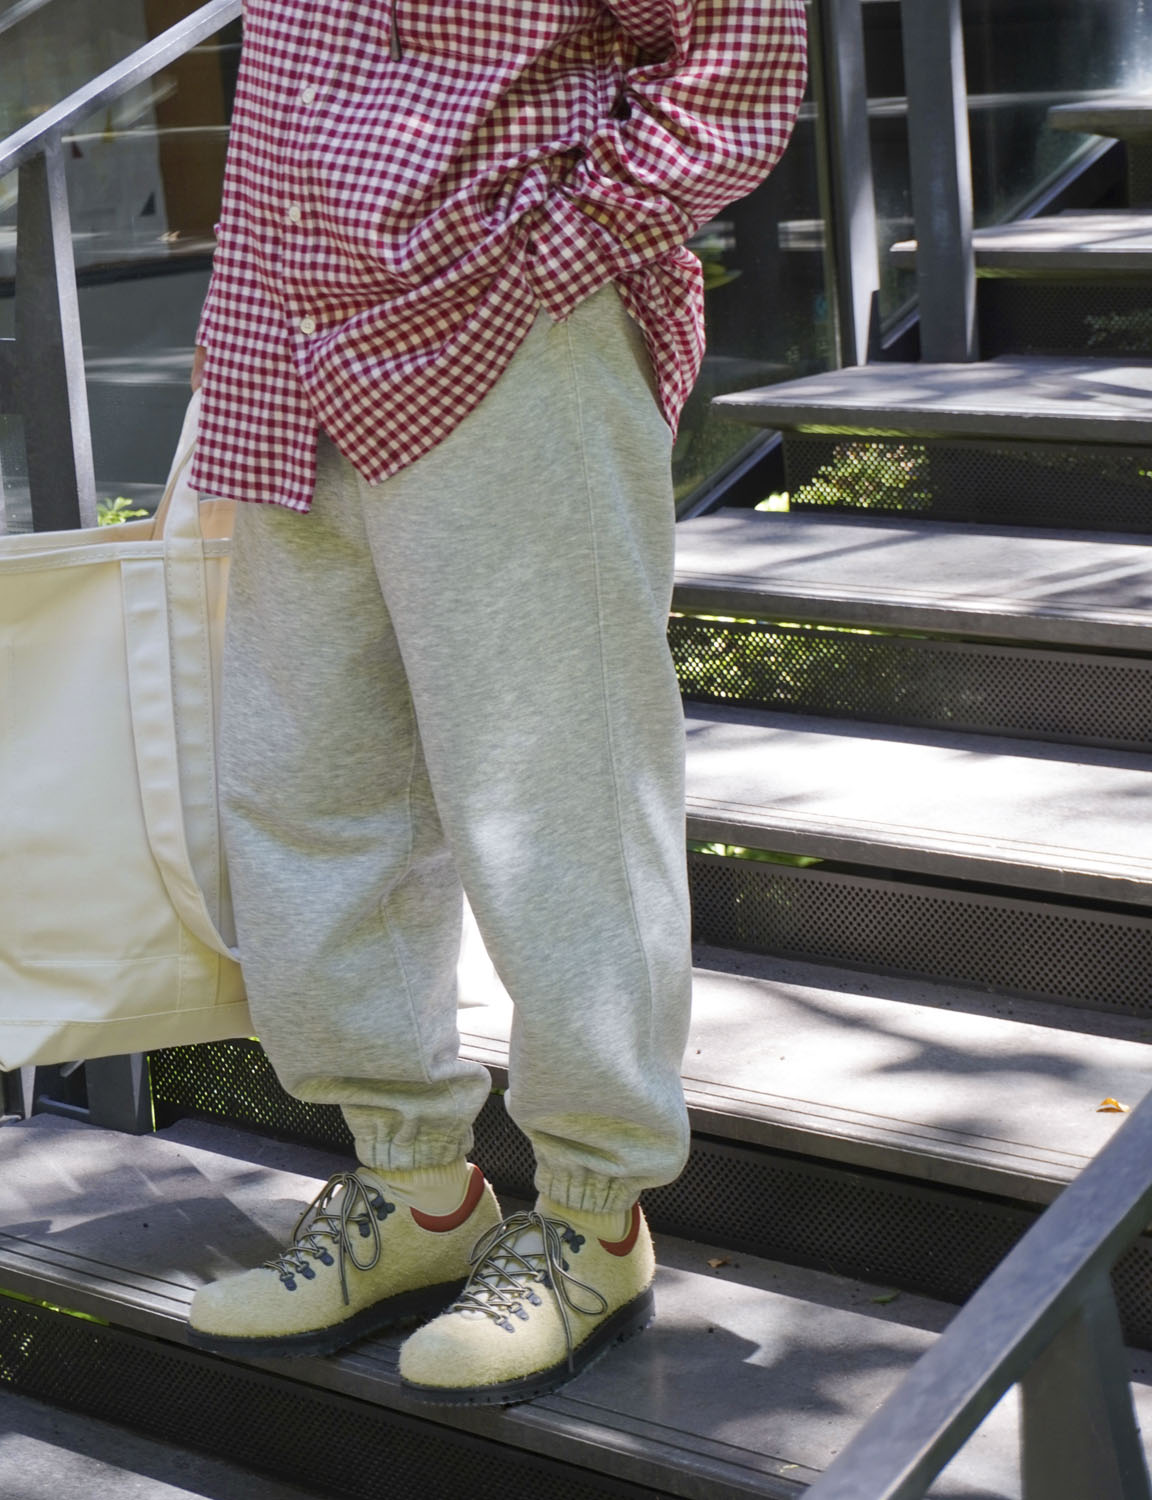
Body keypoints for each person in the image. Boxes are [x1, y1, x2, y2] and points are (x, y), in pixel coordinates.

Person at [184, 0, 807, 1405]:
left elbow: (738, 54)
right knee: (309, 788)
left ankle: (594, 1220)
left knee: (557, 793)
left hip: (500, 332)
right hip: (287, 332)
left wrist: (550, 252)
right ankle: (415, 1191)